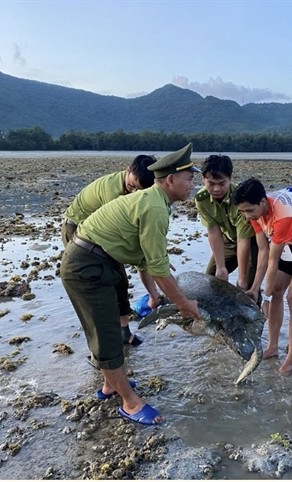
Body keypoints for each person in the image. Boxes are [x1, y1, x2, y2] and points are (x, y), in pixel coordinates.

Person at [60, 143, 201, 425]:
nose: (192, 185)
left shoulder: (154, 201)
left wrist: (157, 267)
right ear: (171, 179)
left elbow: (150, 259)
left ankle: (111, 385)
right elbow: (159, 271)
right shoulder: (155, 207)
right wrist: (185, 305)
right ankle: (130, 404)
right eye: (189, 178)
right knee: (106, 334)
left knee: (111, 325)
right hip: (86, 265)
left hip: (100, 260)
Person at [232, 178, 292, 376]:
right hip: (290, 243)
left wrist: (265, 298)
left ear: (263, 202)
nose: (246, 216)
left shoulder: (282, 216)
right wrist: (255, 288)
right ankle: (273, 346)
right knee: (277, 288)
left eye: (249, 210)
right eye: (242, 211)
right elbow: (263, 251)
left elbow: (273, 258)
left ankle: (291, 359)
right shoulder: (254, 214)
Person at [61, 154, 156, 346]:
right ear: (127, 169)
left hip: (98, 235)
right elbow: (114, 229)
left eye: (140, 190)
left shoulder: (138, 193)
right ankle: (101, 343)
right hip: (78, 231)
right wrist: (147, 256)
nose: (135, 192)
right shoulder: (111, 191)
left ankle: (123, 332)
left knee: (120, 281)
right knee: (99, 285)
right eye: (132, 186)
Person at [194, 154, 259, 298]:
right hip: (228, 241)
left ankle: (256, 315)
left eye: (222, 183)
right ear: (203, 179)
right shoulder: (201, 199)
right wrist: (220, 267)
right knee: (210, 279)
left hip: (251, 242)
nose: (216, 189)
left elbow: (244, 240)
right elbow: (214, 232)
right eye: (211, 183)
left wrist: (241, 277)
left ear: (230, 178)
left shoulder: (240, 200)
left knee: (247, 286)